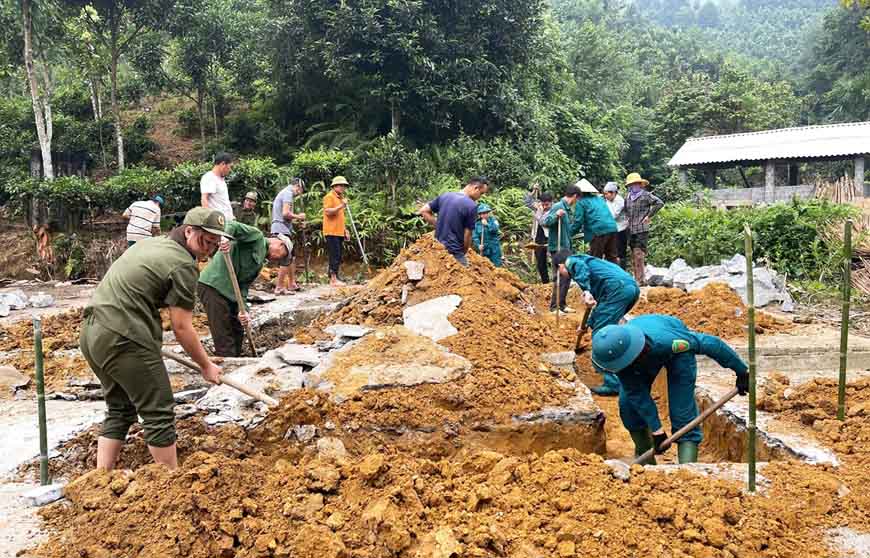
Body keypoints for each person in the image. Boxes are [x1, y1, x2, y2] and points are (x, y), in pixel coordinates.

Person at [79, 207, 232, 471]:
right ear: (188, 231)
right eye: (206, 241)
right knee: (159, 409)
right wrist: (206, 366)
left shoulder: (153, 244)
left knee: (120, 407)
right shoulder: (183, 265)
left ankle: (101, 478)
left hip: (93, 333)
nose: (210, 248)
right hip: (124, 337)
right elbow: (182, 327)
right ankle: (171, 485)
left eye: (216, 243)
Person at [591, 314, 749, 464]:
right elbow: (637, 394)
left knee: (682, 412)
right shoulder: (621, 363)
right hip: (638, 356)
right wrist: (657, 430)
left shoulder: (669, 342)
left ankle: (688, 470)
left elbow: (711, 344)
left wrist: (742, 371)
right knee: (628, 406)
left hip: (675, 354)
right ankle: (645, 461)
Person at [198, 221, 293, 356]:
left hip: (231, 293)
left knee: (238, 329)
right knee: (223, 333)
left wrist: (244, 311)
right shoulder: (257, 237)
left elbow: (243, 287)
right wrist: (225, 238)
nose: (278, 260)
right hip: (213, 285)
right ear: (279, 244)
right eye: (282, 256)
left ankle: (237, 360)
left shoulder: (259, 264)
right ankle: (226, 367)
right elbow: (233, 226)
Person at [553, 251, 639, 396]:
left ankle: (613, 383)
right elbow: (600, 309)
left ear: (561, 266)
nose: (561, 274)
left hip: (617, 290)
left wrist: (586, 291)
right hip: (629, 289)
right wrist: (585, 325)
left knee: (601, 334)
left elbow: (579, 267)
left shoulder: (572, 261)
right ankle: (626, 369)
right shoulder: (593, 265)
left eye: (559, 271)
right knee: (607, 326)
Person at [419, 177, 489, 266]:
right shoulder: (471, 206)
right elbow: (468, 234)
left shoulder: (445, 196)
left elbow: (423, 210)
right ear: (475, 188)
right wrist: (463, 252)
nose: (480, 197)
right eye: (481, 193)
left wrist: (438, 224)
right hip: (454, 250)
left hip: (438, 248)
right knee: (465, 275)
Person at [542, 183, 581, 313]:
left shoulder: (567, 209)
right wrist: (555, 216)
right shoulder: (558, 206)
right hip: (557, 247)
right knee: (559, 276)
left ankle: (562, 304)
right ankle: (554, 307)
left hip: (565, 247)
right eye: (577, 199)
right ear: (574, 196)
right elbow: (545, 222)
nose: (576, 202)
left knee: (567, 276)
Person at [624, 172, 664, 285]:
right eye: (632, 184)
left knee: (639, 253)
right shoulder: (628, 197)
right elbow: (626, 211)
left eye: (636, 184)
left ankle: (640, 280)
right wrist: (627, 218)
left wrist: (648, 216)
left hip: (642, 228)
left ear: (640, 184)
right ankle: (636, 278)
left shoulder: (645, 195)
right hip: (631, 229)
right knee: (633, 253)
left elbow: (659, 203)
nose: (634, 186)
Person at [271, 178, 306, 294]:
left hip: (283, 228)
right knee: (285, 258)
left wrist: (297, 221)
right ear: (297, 186)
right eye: (300, 191)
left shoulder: (285, 193)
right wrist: (299, 217)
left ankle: (292, 283)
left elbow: (286, 217)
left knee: (291, 257)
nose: (299, 194)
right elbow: (285, 213)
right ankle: (280, 287)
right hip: (280, 229)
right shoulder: (288, 193)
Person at [572, 179, 619, 263]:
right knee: (612, 258)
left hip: (598, 231)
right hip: (612, 228)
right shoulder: (599, 199)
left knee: (595, 259)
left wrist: (569, 233)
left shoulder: (581, 202)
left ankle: (596, 276)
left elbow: (577, 222)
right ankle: (617, 275)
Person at [323, 176, 351, 286]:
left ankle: (335, 276)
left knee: (338, 255)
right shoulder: (329, 197)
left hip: (339, 231)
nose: (343, 188)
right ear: (335, 186)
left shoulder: (340, 198)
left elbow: (340, 217)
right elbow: (328, 212)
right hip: (331, 231)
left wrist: (345, 230)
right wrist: (341, 206)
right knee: (334, 254)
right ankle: (333, 279)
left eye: (344, 186)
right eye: (341, 185)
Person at [524, 186, 553, 283]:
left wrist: (538, 214)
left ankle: (556, 282)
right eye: (543, 204)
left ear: (551, 203)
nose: (544, 207)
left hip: (550, 238)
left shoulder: (554, 210)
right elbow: (527, 201)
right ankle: (545, 282)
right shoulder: (539, 207)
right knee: (540, 262)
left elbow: (544, 222)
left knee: (554, 260)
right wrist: (533, 191)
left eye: (547, 205)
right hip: (538, 238)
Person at [200, 152, 235, 221]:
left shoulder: (221, 179)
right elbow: (204, 199)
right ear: (223, 164)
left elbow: (222, 201)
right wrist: (210, 220)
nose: (230, 170)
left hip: (228, 220)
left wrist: (231, 216)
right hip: (219, 222)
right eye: (229, 167)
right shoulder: (209, 178)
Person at [603, 182, 629, 269]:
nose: (605, 196)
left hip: (621, 229)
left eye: (607, 194)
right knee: (610, 252)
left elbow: (612, 215)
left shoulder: (620, 201)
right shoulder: (607, 200)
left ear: (613, 193)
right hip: (611, 229)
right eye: (604, 194)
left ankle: (621, 271)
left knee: (620, 253)